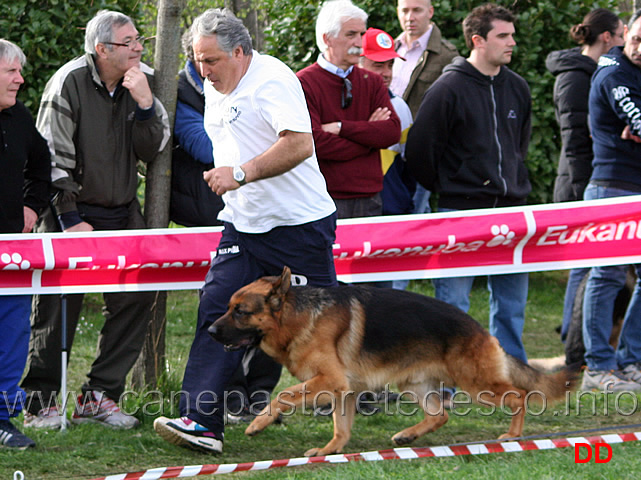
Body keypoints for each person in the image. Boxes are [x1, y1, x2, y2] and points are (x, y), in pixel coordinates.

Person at [153, 8, 338, 454]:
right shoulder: (216, 82)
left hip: (300, 227)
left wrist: (242, 172)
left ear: (240, 51)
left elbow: (299, 143)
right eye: (198, 60)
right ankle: (201, 422)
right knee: (217, 311)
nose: (204, 70)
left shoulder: (271, 79)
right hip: (242, 226)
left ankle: (349, 397)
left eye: (212, 60)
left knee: (322, 326)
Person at [20, 10, 170, 430]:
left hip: (122, 212)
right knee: (56, 306)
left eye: (139, 40)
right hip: (72, 214)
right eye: (130, 42)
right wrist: (69, 218)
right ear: (102, 49)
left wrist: (144, 104)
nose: (139, 47)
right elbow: (51, 156)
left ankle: (100, 396)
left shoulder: (140, 81)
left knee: (138, 295)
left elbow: (154, 148)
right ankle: (41, 402)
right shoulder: (69, 82)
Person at [405, 3, 532, 363]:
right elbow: (419, 152)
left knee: (511, 305)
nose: (512, 42)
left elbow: (518, 145)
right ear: (478, 40)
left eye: (512, 34)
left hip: (511, 213)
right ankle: (448, 381)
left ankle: (511, 374)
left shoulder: (518, 87)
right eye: (503, 36)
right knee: (453, 305)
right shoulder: (448, 88)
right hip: (460, 213)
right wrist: (453, 184)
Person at [546, 9, 624, 344]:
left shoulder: (597, 73)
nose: (624, 45)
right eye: (622, 37)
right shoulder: (576, 77)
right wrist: (584, 192)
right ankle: (573, 342)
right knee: (583, 269)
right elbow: (576, 139)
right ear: (606, 37)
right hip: (582, 184)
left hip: (592, 180)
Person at [580, 9, 641, 392]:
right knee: (607, 275)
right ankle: (597, 367)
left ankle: (631, 359)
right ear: (625, 35)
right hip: (612, 187)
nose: (639, 47)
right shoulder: (614, 72)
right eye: (636, 38)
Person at [296, 0, 400, 222]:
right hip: (324, 200)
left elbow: (391, 132)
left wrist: (342, 128)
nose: (359, 42)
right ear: (327, 39)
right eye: (351, 34)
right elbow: (314, 144)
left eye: (361, 34)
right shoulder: (304, 83)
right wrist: (369, 138)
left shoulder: (371, 81)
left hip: (370, 199)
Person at [0, 39, 50, 449]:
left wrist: (32, 208)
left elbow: (41, 163)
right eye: (11, 72)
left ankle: (2, 419)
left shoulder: (18, 117)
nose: (20, 78)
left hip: (10, 254)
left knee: (12, 334)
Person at [391, 0, 459, 217]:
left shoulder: (446, 55)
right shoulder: (391, 48)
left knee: (414, 217)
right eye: (405, 11)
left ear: (430, 12)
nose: (410, 17)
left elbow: (453, 111)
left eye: (417, 10)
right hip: (388, 151)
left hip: (419, 153)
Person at [170, 30, 224, 228]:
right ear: (197, 58)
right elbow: (205, 148)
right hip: (202, 208)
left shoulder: (235, 82)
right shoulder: (179, 91)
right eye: (213, 59)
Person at [359, 27, 414, 216]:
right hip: (353, 212)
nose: (387, 73)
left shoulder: (400, 107)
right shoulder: (340, 104)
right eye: (378, 65)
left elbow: (410, 163)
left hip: (394, 212)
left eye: (390, 65)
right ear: (358, 64)